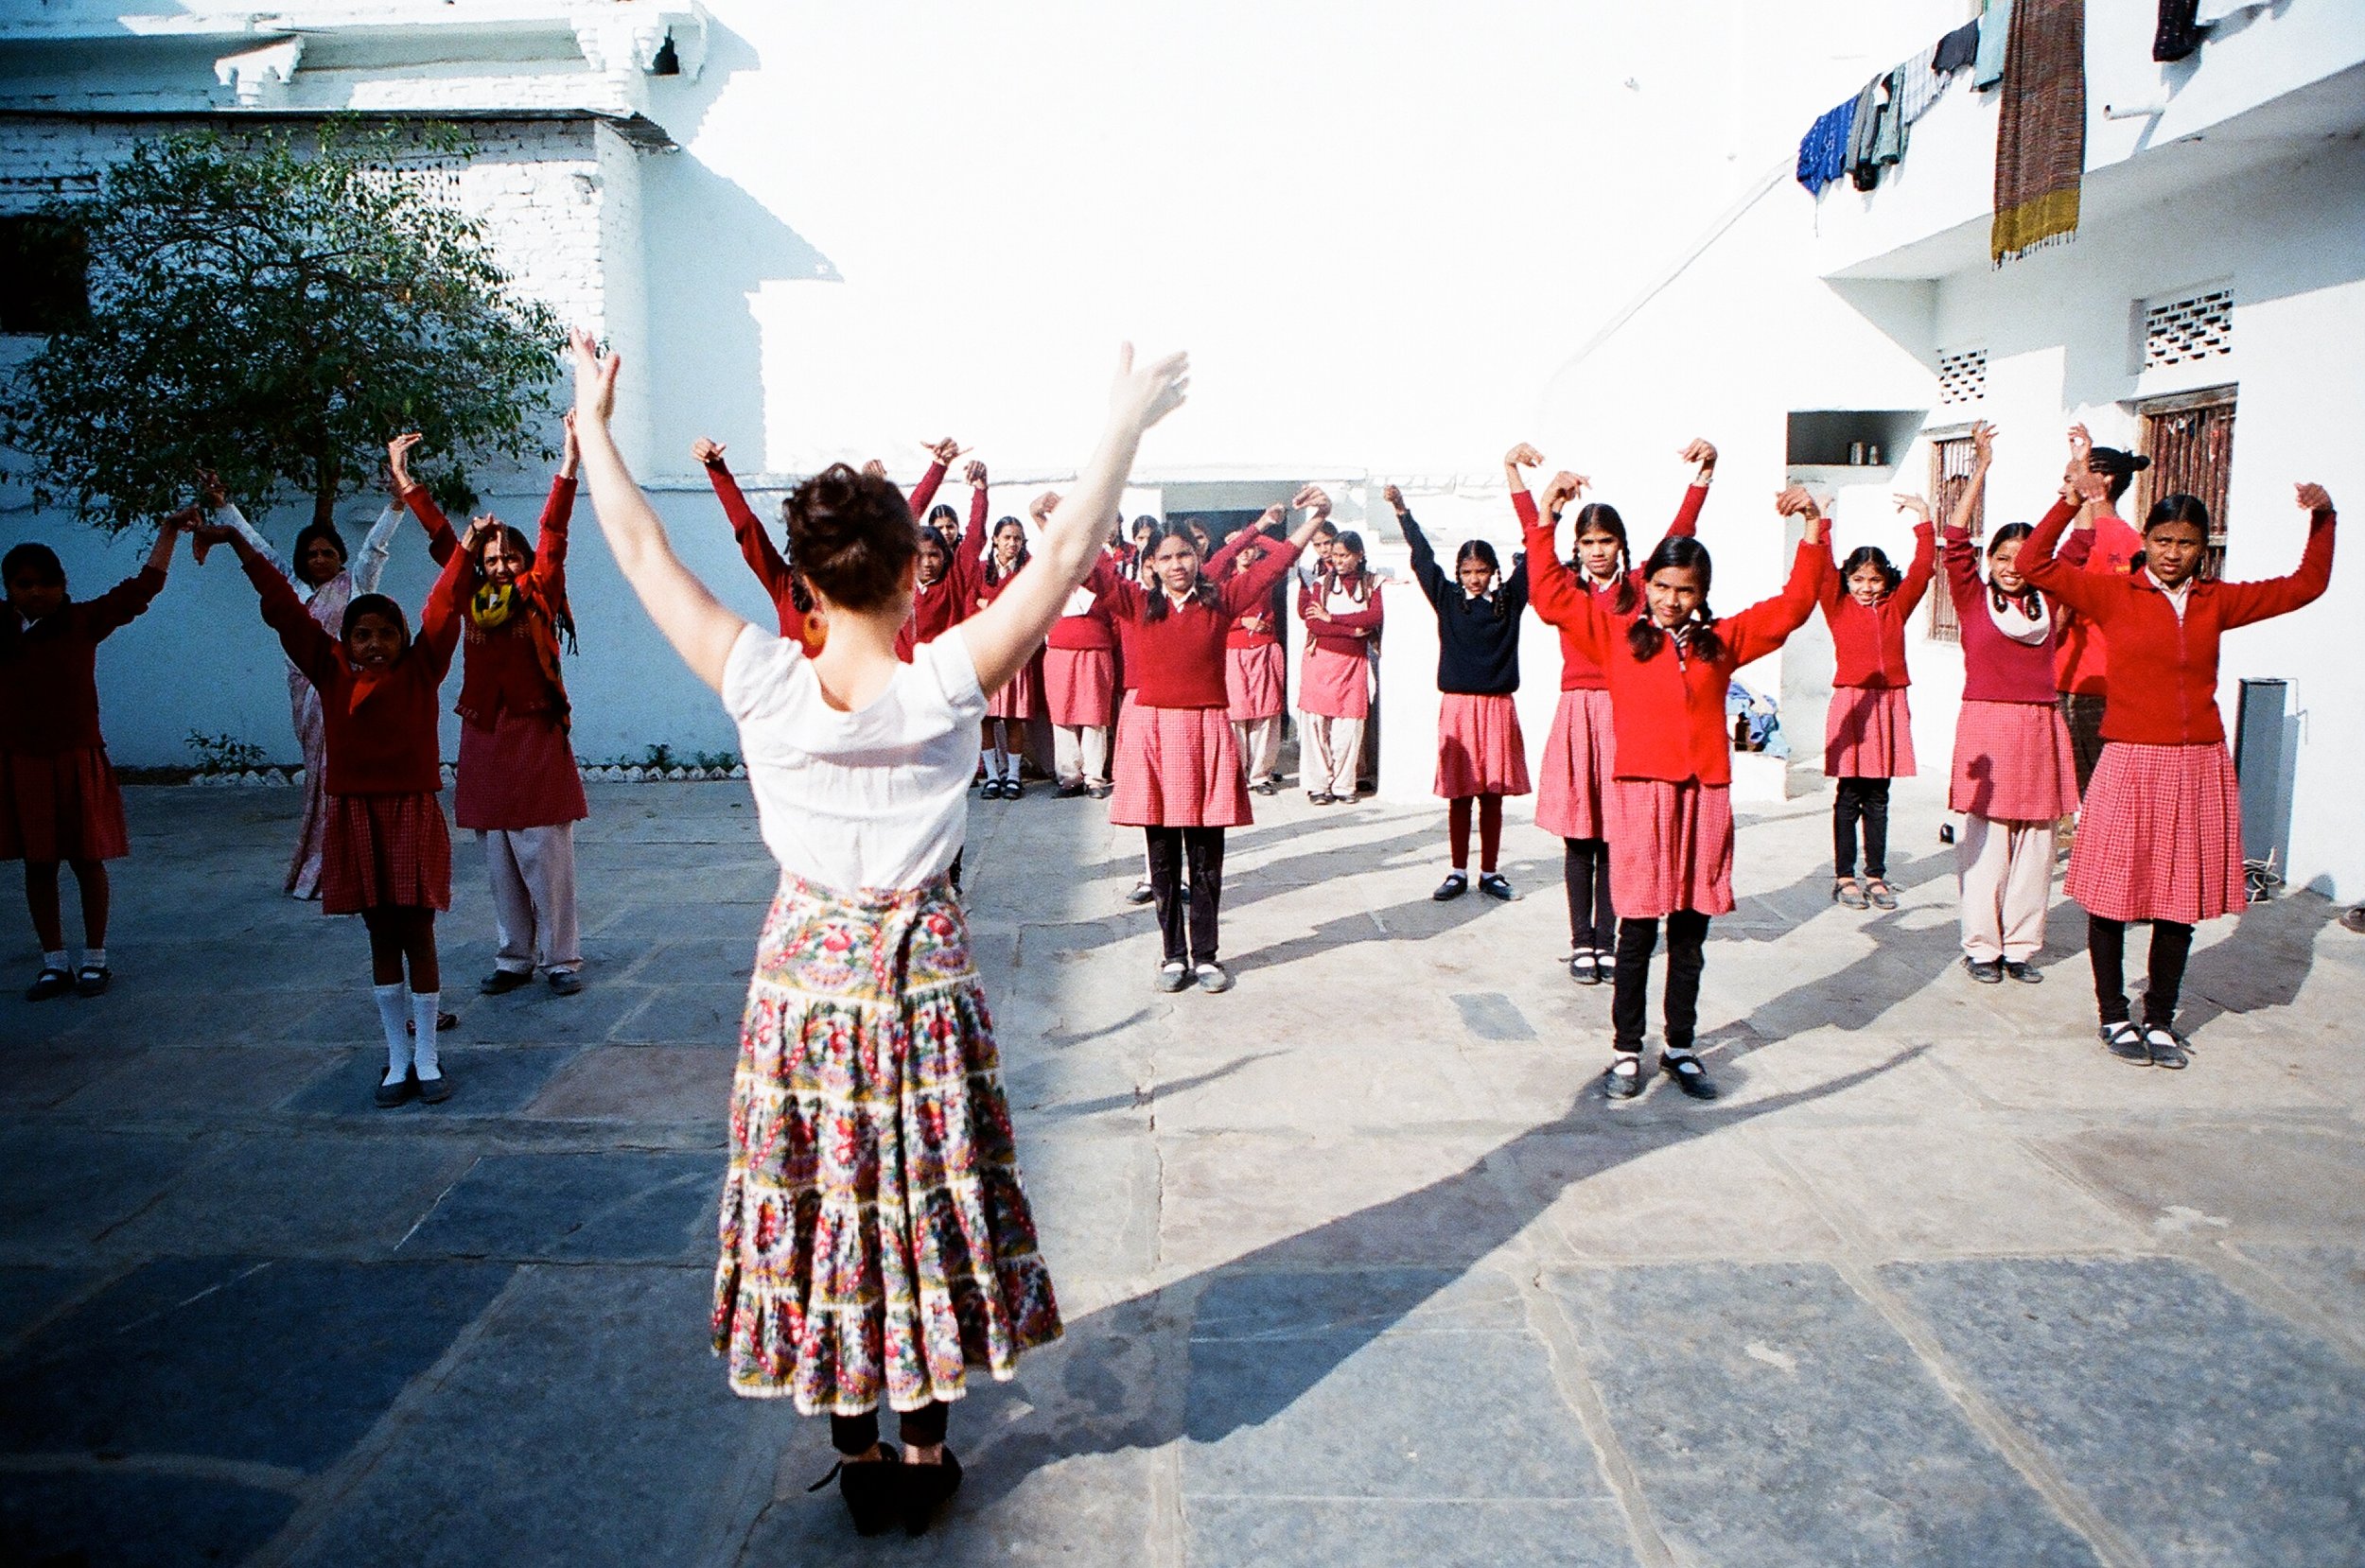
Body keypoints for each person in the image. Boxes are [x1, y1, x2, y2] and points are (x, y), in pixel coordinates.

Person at [561, 326, 1186, 1538]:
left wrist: (590, 419)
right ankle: (927, 1440)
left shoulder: (760, 677)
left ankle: (855, 1451)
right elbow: (1061, 556)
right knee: (923, 1193)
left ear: (802, 580)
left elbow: (638, 547)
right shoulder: (945, 680)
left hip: (806, 985)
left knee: (825, 1192)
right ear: (911, 575)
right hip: (922, 977)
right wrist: (1122, 423)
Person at [1528, 474, 1832, 1103]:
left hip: (1703, 799)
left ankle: (1681, 1045)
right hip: (1641, 798)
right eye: (1662, 586)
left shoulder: (1722, 643)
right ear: (1649, 587)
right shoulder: (1615, 636)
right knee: (1636, 931)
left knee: (1690, 932)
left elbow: (1794, 607)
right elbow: (1550, 595)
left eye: (1683, 590)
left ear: (1700, 595)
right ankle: (1625, 1048)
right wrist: (1545, 519)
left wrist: (1812, 530)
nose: (1670, 599)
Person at [2023, 476, 2336, 1068]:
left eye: (2186, 543)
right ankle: (2114, 1014)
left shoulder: (2219, 601)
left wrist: (2323, 519)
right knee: (2113, 895)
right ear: (2147, 539)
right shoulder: (2114, 595)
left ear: (2203, 548)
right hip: (2130, 759)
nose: (2173, 553)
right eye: (2163, 539)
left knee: (2176, 898)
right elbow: (2037, 564)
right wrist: (2071, 501)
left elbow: (2306, 586)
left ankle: (2161, 1018)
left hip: (2198, 763)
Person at [203, 511, 471, 1106]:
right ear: (344, 643)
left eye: (385, 633)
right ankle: (396, 1058)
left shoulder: (422, 670)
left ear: (403, 640)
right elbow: (282, 608)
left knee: (418, 932)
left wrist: (464, 550)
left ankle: (428, 1055)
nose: (374, 644)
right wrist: (238, 546)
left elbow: (446, 605)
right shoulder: (328, 672)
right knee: (380, 937)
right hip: (354, 816)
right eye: (361, 635)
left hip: (409, 813)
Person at [391, 424, 590, 999]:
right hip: (483, 734)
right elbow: (441, 543)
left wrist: (569, 461)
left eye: (510, 557)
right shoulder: (469, 599)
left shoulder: (540, 590)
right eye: (491, 558)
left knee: (544, 852)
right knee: (499, 855)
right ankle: (514, 956)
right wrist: (406, 483)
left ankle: (561, 959)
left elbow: (554, 529)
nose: (500, 566)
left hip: (533, 729)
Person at [1104, 494, 1328, 992]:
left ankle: (1205, 955)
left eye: (1184, 554)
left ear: (1199, 558)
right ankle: (1171, 955)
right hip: (1154, 736)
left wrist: (1316, 520)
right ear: (1151, 566)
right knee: (1162, 856)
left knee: (1206, 855)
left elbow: (1273, 567)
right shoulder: (1137, 604)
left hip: (1205, 731)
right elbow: (1089, 569)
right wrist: (1053, 517)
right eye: (1165, 557)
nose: (1176, 563)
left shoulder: (1220, 601)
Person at [1513, 438, 1715, 983]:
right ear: (1576, 547)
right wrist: (1533, 495)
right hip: (1579, 716)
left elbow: (1681, 538)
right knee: (1580, 836)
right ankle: (1581, 940)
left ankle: (1610, 939)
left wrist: (1703, 477)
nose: (1597, 550)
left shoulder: (1637, 588)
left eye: (1606, 540)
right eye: (1588, 541)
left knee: (1618, 833)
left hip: (1628, 718)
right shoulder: (1567, 595)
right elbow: (1537, 560)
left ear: (1623, 546)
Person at [3, 521, 190, 1000]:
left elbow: (143, 588)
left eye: (46, 582)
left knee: (88, 860)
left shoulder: (82, 621)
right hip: (23, 761)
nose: (36, 592)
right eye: (23, 584)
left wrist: (168, 533)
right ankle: (52, 961)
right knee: (39, 865)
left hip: (77, 757)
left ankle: (94, 958)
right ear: (9, 589)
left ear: (63, 585)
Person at [202, 469, 411, 899]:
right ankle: (323, 866)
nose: (319, 559)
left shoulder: (355, 585)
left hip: (351, 697)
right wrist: (223, 506)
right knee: (320, 777)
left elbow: (374, 548)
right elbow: (257, 550)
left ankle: (360, 867)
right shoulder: (292, 590)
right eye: (312, 553)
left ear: (339, 556)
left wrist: (396, 504)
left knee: (349, 775)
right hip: (306, 697)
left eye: (327, 552)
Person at [1931, 422, 2083, 984]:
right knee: (1987, 843)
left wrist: (2078, 488)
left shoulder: (2049, 603)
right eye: (2003, 555)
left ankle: (2020, 947)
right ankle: (1981, 946)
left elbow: (2079, 548)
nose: (2013, 565)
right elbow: (1953, 538)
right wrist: (1982, 465)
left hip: (2040, 724)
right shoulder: (1972, 598)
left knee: (2038, 844)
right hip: (1989, 724)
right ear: (1989, 558)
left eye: (2024, 557)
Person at [1387, 484, 1531, 901]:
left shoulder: (1510, 601)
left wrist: (1549, 516)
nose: (1474, 578)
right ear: (1459, 573)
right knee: (1460, 794)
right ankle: (1457, 871)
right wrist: (1401, 512)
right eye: (1467, 572)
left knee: (1492, 795)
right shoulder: (1447, 599)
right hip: (1458, 708)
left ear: (1493, 570)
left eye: (1481, 570)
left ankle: (1490, 871)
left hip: (1498, 706)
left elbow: (1536, 558)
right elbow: (1422, 559)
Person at [1821, 490, 1936, 912]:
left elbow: (1924, 570)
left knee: (1879, 796)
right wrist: (1823, 520)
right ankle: (1845, 876)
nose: (1867, 588)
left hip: (1888, 706)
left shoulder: (1896, 608)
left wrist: (1924, 518)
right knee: (1849, 795)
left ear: (1886, 581)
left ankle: (1877, 875)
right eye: (1858, 580)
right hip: (1853, 705)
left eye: (1875, 580)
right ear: (1846, 580)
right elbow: (1818, 567)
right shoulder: (1836, 606)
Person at [2053, 426, 2148, 808]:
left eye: (2070, 478)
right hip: (2102, 681)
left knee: (2086, 793)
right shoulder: (2133, 541)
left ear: (2103, 480)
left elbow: (2060, 613)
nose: (2062, 488)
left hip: (2082, 685)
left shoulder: (2107, 543)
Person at [693, 436, 821, 653]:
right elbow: (747, 529)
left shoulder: (860, 594)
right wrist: (716, 467)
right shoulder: (785, 587)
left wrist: (874, 498)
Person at [1042, 492, 1121, 799]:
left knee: (1094, 714)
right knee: (1062, 714)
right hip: (1061, 646)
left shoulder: (1104, 561)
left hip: (1096, 646)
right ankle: (1069, 776)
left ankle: (1094, 777)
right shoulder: (1059, 555)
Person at [1297, 527, 1384, 804]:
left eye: (1344, 555)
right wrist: (1352, 629)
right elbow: (1312, 622)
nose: (1339, 561)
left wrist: (1332, 619)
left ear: (1359, 555)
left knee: (1349, 727)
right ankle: (1318, 784)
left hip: (1353, 664)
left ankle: (1344, 785)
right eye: (1334, 555)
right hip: (1320, 661)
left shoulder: (1374, 583)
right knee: (1316, 724)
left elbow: (1373, 617)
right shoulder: (1321, 584)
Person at [974, 497, 1043, 799]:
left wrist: (992, 607)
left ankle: (1014, 775)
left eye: (1017, 538)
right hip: (986, 653)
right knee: (986, 717)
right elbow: (970, 607)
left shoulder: (1029, 569)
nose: (1012, 543)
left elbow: (1030, 607)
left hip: (1016, 653)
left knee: (1015, 717)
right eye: (1007, 538)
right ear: (995, 540)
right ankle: (992, 774)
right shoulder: (980, 570)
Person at [1222, 514, 1291, 794]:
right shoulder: (1223, 580)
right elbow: (1213, 616)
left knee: (1265, 712)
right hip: (1234, 649)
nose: (1246, 552)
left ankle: (1260, 773)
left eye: (1250, 547)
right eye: (1241, 546)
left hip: (1263, 647)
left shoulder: (1264, 574)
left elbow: (1284, 552)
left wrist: (1255, 534)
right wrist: (1242, 622)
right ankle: (1237, 772)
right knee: (1237, 713)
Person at [897, 457, 986, 662]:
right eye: (920, 556)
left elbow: (975, 536)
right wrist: (938, 468)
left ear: (945, 557)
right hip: (905, 675)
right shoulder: (899, 583)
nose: (927, 563)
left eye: (934, 555)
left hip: (946, 670)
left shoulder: (954, 579)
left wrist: (980, 491)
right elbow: (904, 521)